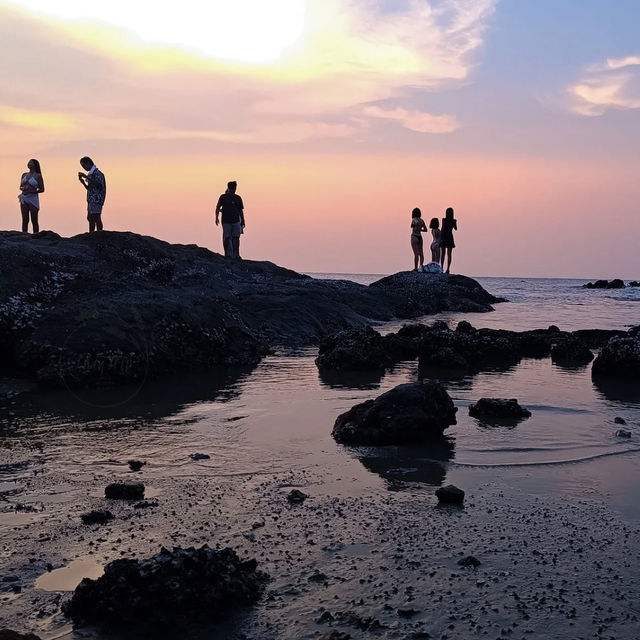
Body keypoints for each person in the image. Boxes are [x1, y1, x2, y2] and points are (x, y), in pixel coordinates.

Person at [215, 181, 245, 259]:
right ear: (229, 188)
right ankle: (227, 254)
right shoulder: (223, 197)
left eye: (234, 188)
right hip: (226, 221)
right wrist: (216, 217)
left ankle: (236, 254)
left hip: (236, 220)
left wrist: (243, 220)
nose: (233, 190)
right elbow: (218, 207)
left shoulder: (238, 198)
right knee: (227, 237)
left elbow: (240, 210)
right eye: (232, 188)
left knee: (236, 237)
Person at [78, 156, 106, 232]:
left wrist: (87, 177)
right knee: (90, 218)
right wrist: (83, 182)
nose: (84, 168)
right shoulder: (91, 174)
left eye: (84, 165)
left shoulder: (97, 173)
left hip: (97, 199)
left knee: (96, 217)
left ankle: (99, 233)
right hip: (91, 199)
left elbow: (99, 185)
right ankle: (91, 233)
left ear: (88, 163)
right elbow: (90, 188)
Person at [18, 159, 44, 233]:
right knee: (25, 219)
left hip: (33, 198)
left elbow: (42, 189)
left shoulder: (38, 176)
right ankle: (24, 234)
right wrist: (23, 188)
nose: (29, 164)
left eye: (31, 163)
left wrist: (33, 191)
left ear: (35, 165)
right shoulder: (24, 175)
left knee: (34, 219)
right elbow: (20, 186)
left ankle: (36, 235)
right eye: (28, 162)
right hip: (24, 197)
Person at [440, 207, 457, 274]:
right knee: (449, 254)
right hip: (450, 236)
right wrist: (454, 223)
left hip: (444, 236)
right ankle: (448, 269)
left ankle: (441, 267)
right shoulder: (453, 221)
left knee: (443, 253)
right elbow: (456, 229)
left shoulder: (444, 220)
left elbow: (442, 228)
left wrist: (440, 238)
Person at [410, 207, 427, 271]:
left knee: (416, 254)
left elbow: (415, 222)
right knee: (421, 253)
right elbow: (425, 229)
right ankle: (421, 266)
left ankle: (416, 268)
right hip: (420, 236)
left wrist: (416, 224)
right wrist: (420, 229)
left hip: (414, 236)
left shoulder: (414, 219)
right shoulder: (422, 220)